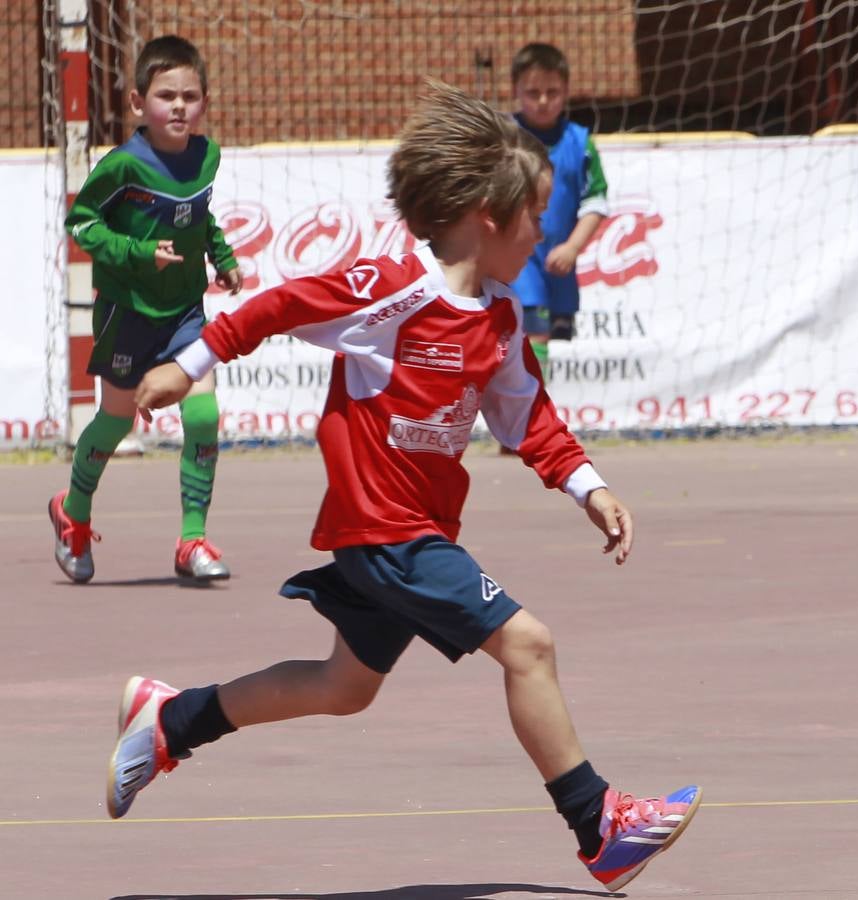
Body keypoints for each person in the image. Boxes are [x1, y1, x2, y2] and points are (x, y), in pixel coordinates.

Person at [111, 82, 699, 891]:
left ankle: (175, 721)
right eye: (535, 216)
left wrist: (588, 487)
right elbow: (277, 306)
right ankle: (600, 826)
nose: (543, 232)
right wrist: (186, 363)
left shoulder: (497, 319)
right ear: (488, 216)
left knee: (343, 686)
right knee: (528, 644)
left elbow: (531, 421)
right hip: (385, 529)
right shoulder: (388, 287)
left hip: (411, 532)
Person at [50, 35, 242, 584]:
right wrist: (137, 254)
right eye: (165, 96)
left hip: (183, 309)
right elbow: (82, 224)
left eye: (189, 95)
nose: (178, 106)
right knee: (116, 419)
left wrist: (222, 257)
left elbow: (199, 217)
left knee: (203, 413)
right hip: (127, 310)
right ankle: (74, 513)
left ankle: (192, 541)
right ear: (138, 104)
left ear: (204, 100)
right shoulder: (122, 167)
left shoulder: (207, 156)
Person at [510, 41, 610, 380]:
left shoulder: (579, 142)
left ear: (566, 91)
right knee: (530, 334)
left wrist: (573, 247)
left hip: (555, 263)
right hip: (513, 262)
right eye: (533, 92)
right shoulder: (504, 138)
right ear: (516, 91)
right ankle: (527, 422)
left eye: (551, 92)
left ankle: (526, 417)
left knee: (543, 339)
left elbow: (596, 201)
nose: (542, 101)